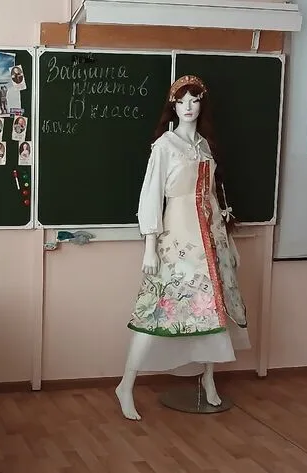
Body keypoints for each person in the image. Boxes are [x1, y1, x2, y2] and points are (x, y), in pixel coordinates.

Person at [114, 75, 249, 421]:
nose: (188, 107)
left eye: (194, 100)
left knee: (212, 311)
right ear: (173, 106)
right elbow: (151, 196)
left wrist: (229, 241)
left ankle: (208, 377)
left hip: (211, 238)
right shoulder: (165, 146)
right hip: (178, 239)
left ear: (202, 104)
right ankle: (126, 385)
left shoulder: (204, 146)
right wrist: (150, 246)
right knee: (155, 310)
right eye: (182, 101)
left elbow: (214, 197)